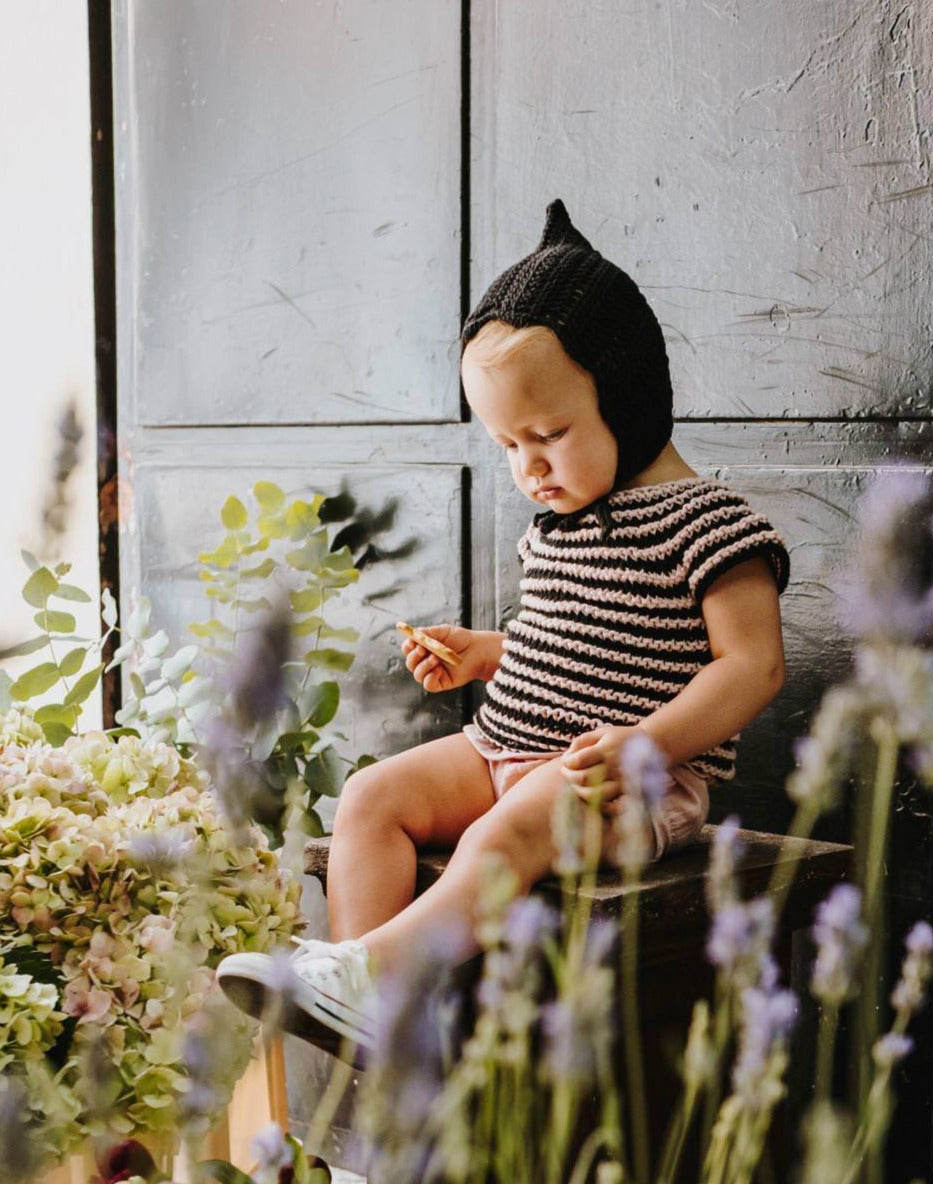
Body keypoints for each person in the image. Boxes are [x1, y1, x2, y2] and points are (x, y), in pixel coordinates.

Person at [216, 199, 790, 1059]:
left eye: (550, 434)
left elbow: (752, 667)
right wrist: (484, 654)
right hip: (504, 748)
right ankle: (358, 996)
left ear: (627, 401)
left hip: (623, 788)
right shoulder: (559, 525)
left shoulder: (709, 523)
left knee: (511, 828)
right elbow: (569, 642)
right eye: (506, 445)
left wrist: (646, 742)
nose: (529, 466)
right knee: (372, 797)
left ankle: (379, 974)